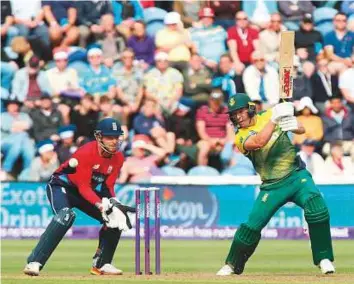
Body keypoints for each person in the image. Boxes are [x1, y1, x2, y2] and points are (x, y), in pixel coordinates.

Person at [217, 93, 335, 276]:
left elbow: (301, 130)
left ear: (249, 108)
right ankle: (232, 264)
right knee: (251, 226)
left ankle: (323, 258)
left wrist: (295, 126)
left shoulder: (270, 114)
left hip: (296, 176)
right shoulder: (240, 137)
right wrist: (275, 117)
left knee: (317, 208)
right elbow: (259, 141)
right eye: (234, 114)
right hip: (271, 186)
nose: (237, 117)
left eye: (240, 112)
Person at [23, 117, 135, 276]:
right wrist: (101, 205)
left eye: (117, 137)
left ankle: (102, 264)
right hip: (62, 186)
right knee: (65, 216)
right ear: (99, 136)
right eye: (110, 137)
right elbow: (83, 187)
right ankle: (34, 262)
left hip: (85, 191)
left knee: (114, 218)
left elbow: (107, 187)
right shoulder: (86, 152)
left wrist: (114, 203)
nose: (114, 141)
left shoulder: (118, 157)